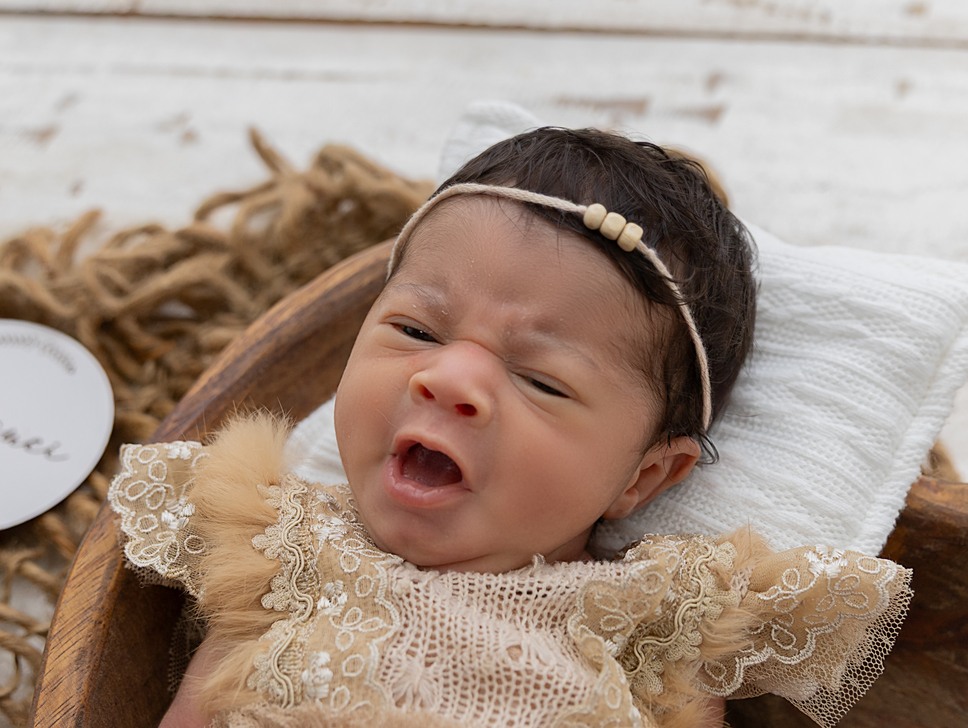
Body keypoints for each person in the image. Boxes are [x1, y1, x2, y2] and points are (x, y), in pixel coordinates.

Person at [109, 128, 912, 728]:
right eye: (417, 332)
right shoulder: (283, 552)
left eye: (539, 379)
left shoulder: (648, 619)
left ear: (643, 478)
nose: (450, 379)